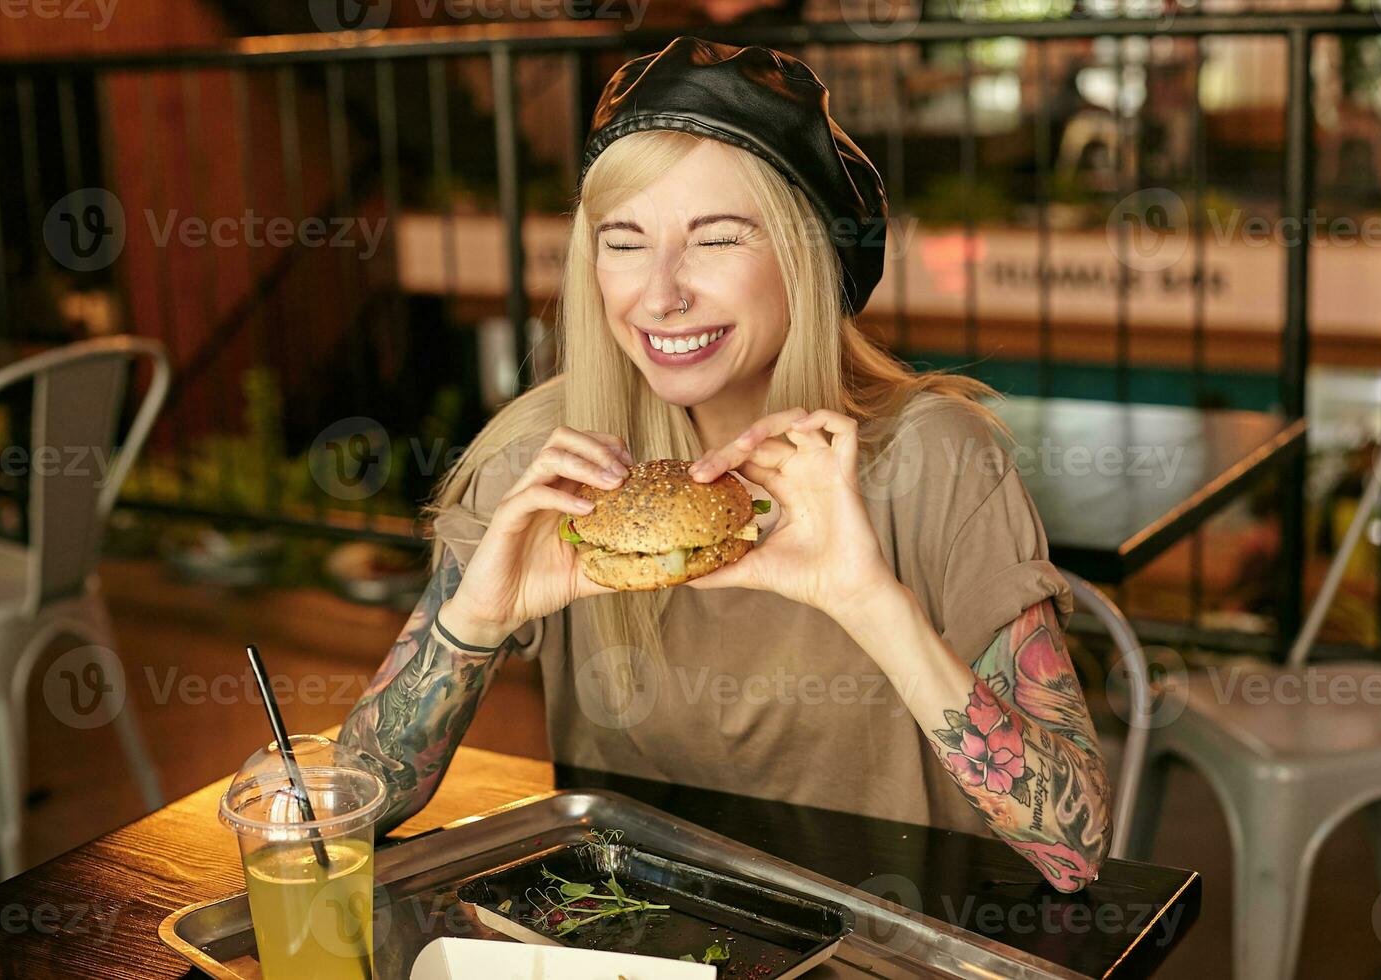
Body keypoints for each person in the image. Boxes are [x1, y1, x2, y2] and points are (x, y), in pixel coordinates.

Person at [340, 36, 1111, 894]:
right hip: (631, 933)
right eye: (624, 242)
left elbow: (1073, 849)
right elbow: (352, 814)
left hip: (885, 938)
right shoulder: (548, 463)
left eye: (715, 240)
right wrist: (474, 620)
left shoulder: (936, 461)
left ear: (806, 253)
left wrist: (869, 600)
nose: (661, 292)